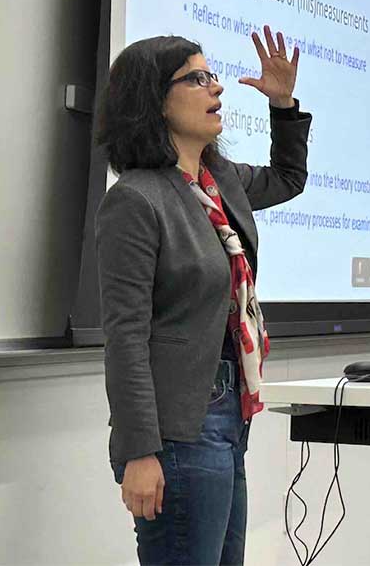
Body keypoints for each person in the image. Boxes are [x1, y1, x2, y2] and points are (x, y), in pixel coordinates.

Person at [95, 28, 309, 565]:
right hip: (179, 427)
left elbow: (288, 179)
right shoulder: (136, 200)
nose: (216, 89)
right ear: (154, 101)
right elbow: (125, 337)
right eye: (196, 78)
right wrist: (139, 452)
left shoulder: (218, 181)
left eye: (212, 76)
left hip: (229, 412)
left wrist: (282, 105)